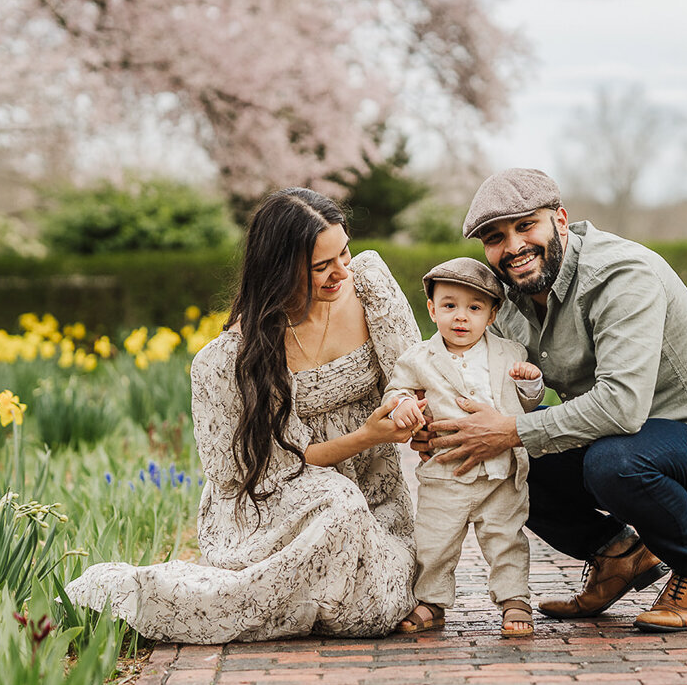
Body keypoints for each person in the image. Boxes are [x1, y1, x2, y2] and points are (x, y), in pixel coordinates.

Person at [417, 168, 687, 633]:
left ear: (561, 220)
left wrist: (508, 430)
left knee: (607, 461)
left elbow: (622, 406)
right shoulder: (509, 295)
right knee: (511, 457)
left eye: (526, 226)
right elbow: (482, 379)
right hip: (632, 440)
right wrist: (439, 423)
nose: (512, 246)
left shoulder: (621, 275)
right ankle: (617, 556)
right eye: (495, 237)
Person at [65, 188, 423, 642]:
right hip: (276, 509)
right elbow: (262, 472)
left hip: (375, 500)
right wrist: (368, 436)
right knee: (337, 503)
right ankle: (139, 596)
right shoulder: (233, 358)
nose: (341, 272)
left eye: (344, 252)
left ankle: (293, 596)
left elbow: (418, 373)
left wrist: (414, 414)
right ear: (279, 271)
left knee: (372, 610)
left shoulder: (369, 283)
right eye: (321, 267)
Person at [383, 258, 544, 637]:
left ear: (492, 315)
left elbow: (528, 405)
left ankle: (514, 598)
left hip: (502, 474)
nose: (461, 317)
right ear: (432, 309)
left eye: (474, 308)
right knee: (434, 542)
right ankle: (431, 601)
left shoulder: (511, 353)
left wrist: (532, 383)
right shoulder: (418, 357)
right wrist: (404, 403)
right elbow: (397, 389)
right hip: (446, 473)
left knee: (507, 539)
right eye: (450, 305)